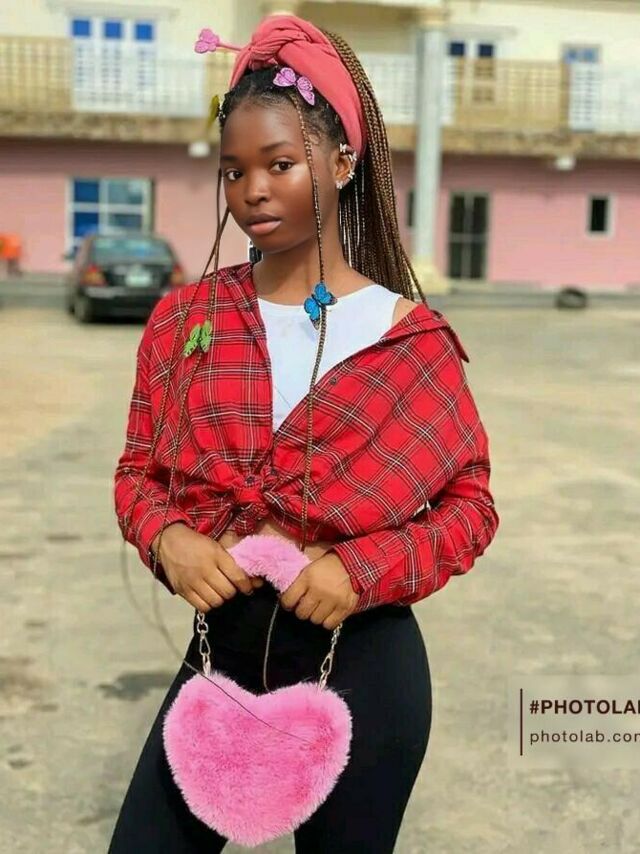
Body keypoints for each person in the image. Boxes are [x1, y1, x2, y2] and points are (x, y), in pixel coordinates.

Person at [108, 14, 500, 853]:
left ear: (343, 164)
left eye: (280, 164)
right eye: (234, 170)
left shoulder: (410, 341)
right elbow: (137, 471)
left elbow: (470, 509)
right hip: (218, 659)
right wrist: (168, 538)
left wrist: (361, 569)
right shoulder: (186, 320)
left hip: (364, 668)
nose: (253, 190)